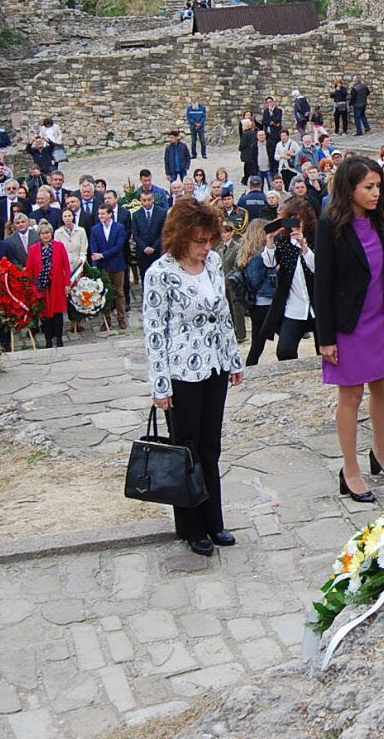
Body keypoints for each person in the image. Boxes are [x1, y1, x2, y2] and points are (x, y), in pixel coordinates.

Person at [143, 197, 245, 557]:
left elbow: (224, 314)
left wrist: (234, 361)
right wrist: (161, 385)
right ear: (180, 237)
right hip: (181, 372)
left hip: (214, 367)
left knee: (210, 447)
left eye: (209, 241)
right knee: (186, 452)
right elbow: (154, 332)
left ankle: (214, 521)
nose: (206, 248)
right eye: (199, 241)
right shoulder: (160, 273)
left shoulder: (214, 263)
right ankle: (191, 526)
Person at [314, 156, 384, 503]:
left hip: (379, 318)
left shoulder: (381, 221)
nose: (376, 193)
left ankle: (381, 454)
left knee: (383, 387)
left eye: (379, 186)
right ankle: (349, 470)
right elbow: (321, 284)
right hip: (347, 324)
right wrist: (325, 338)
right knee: (350, 396)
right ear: (349, 188)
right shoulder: (330, 225)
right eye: (369, 187)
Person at [248, 198, 319, 364]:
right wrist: (270, 239)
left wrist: (304, 247)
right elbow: (269, 262)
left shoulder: (316, 239)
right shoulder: (284, 242)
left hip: (318, 305)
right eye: (291, 218)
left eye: (298, 219)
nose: (295, 223)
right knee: (285, 350)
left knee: (323, 348)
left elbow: (318, 267)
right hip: (294, 306)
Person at [26, 220, 70, 347]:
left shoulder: (59, 246)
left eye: (48, 233)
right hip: (41, 286)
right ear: (39, 235)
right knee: (45, 315)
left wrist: (67, 283)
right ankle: (48, 339)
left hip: (57, 284)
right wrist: (31, 287)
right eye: (43, 233)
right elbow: (29, 270)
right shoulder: (33, 249)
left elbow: (66, 266)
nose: (46, 235)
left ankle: (59, 338)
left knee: (57, 313)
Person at [88, 204, 130, 329]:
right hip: (102, 266)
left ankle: (121, 318)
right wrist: (95, 264)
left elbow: (119, 246)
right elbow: (94, 248)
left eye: (103, 213)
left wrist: (102, 255)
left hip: (117, 264)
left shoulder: (119, 227)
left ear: (110, 214)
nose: (101, 216)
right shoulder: (95, 229)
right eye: (99, 214)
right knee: (104, 293)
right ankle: (106, 320)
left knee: (119, 292)